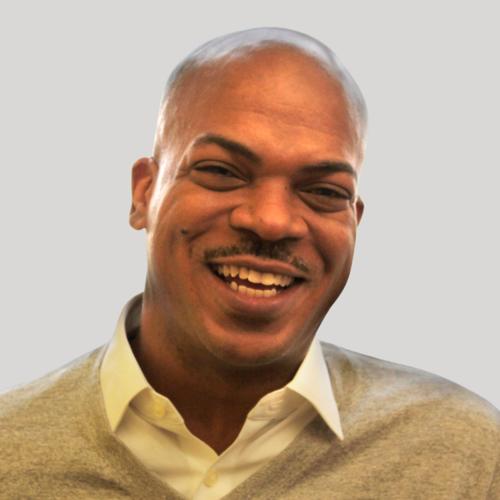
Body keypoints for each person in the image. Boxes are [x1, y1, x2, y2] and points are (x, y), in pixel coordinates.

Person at [0, 27, 498, 500]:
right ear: (143, 194)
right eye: (221, 171)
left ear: (355, 221)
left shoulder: (464, 457)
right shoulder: (11, 453)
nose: (272, 221)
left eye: (324, 191)